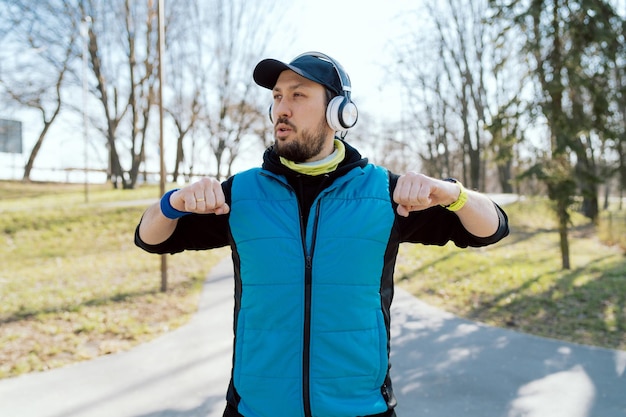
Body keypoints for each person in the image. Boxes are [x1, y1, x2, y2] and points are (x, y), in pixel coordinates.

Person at [135, 51, 509, 417]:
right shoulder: (240, 195)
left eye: (298, 95)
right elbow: (150, 237)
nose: (282, 108)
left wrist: (454, 195)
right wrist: (173, 203)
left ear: (339, 112)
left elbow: (490, 229)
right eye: (277, 97)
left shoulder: (384, 194)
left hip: (361, 409)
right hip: (255, 409)